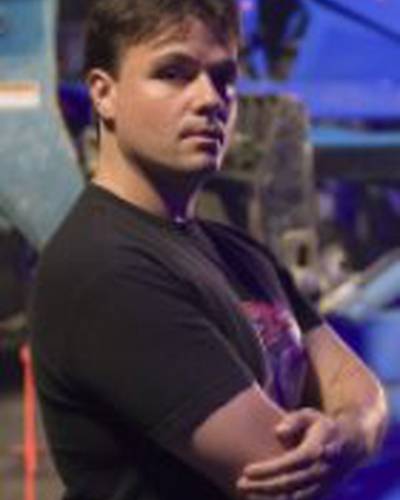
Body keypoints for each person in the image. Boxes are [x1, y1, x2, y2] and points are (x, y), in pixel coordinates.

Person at [29, 1, 388, 499]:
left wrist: (348, 431)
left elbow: (360, 388)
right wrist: (348, 438)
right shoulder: (104, 269)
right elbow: (280, 476)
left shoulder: (238, 252)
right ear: (104, 94)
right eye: (173, 73)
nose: (209, 99)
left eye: (223, 78)